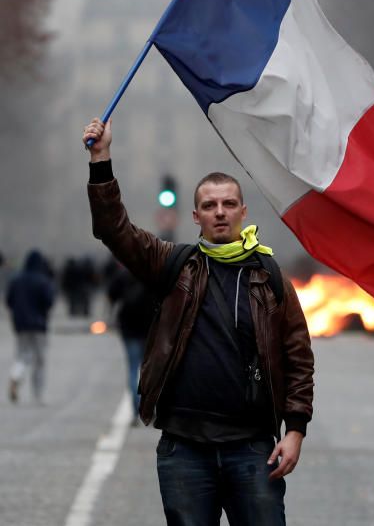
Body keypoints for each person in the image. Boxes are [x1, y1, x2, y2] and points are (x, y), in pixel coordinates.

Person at [83, 117, 314, 526]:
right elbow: (113, 229)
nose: (220, 213)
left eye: (228, 204)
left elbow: (298, 358)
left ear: (243, 211)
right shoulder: (174, 264)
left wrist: (295, 429)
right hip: (185, 451)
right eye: (210, 205)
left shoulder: (271, 277)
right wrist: (101, 159)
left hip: (252, 450)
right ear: (196, 216)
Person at [107, 261, 154, 425]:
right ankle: (149, 408)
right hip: (149, 329)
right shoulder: (152, 275)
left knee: (133, 369)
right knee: (149, 370)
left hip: (129, 329)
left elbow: (111, 297)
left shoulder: (122, 276)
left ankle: (136, 410)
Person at [6, 249, 55, 404]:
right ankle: (38, 395)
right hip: (39, 326)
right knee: (39, 361)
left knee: (22, 355)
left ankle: (15, 376)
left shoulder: (16, 280)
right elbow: (49, 301)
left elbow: (8, 300)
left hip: (20, 325)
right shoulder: (42, 280)